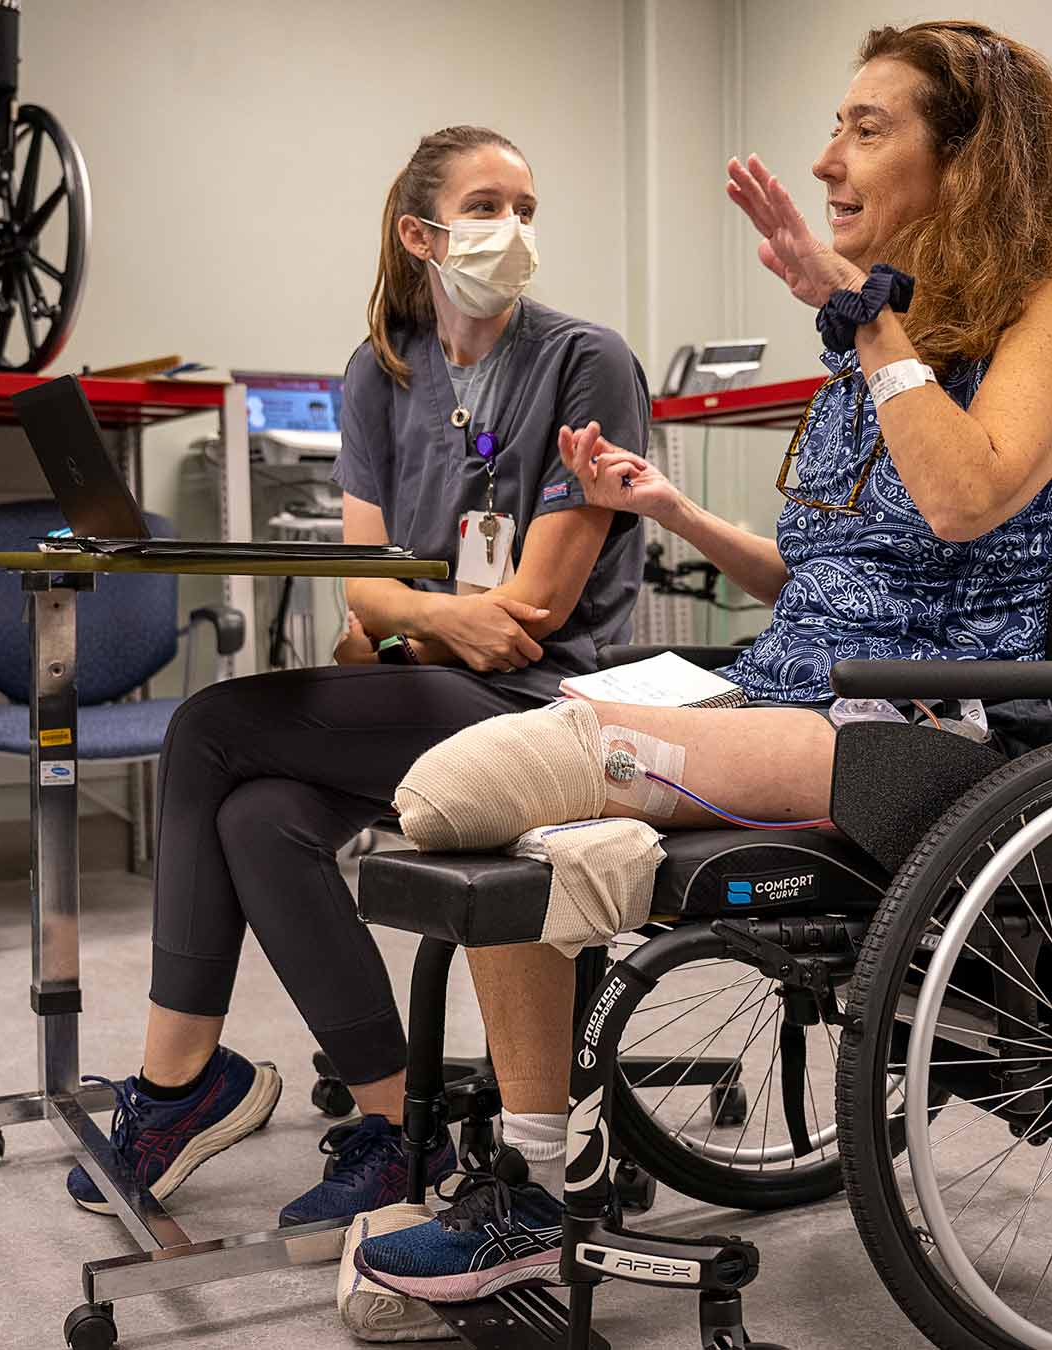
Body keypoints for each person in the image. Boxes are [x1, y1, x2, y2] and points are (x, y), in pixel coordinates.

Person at [353, 20, 1052, 1302]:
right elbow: (820, 580)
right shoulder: (886, 333)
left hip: (929, 732)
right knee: (527, 826)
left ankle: (531, 1182)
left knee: (486, 780)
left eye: (867, 128)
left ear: (972, 160)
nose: (830, 157)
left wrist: (863, 324)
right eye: (836, 125)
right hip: (801, 694)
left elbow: (961, 502)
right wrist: (670, 510)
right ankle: (542, 1172)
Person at [62, 125, 648, 1230]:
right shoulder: (382, 371)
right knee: (262, 816)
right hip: (434, 689)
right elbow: (365, 592)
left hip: (549, 707)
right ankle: (395, 1128)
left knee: (206, 730)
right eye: (487, 207)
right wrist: (430, 622)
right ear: (421, 233)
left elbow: (531, 619)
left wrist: (412, 622)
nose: (515, 231)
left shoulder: (586, 362)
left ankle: (180, 1089)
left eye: (528, 207)